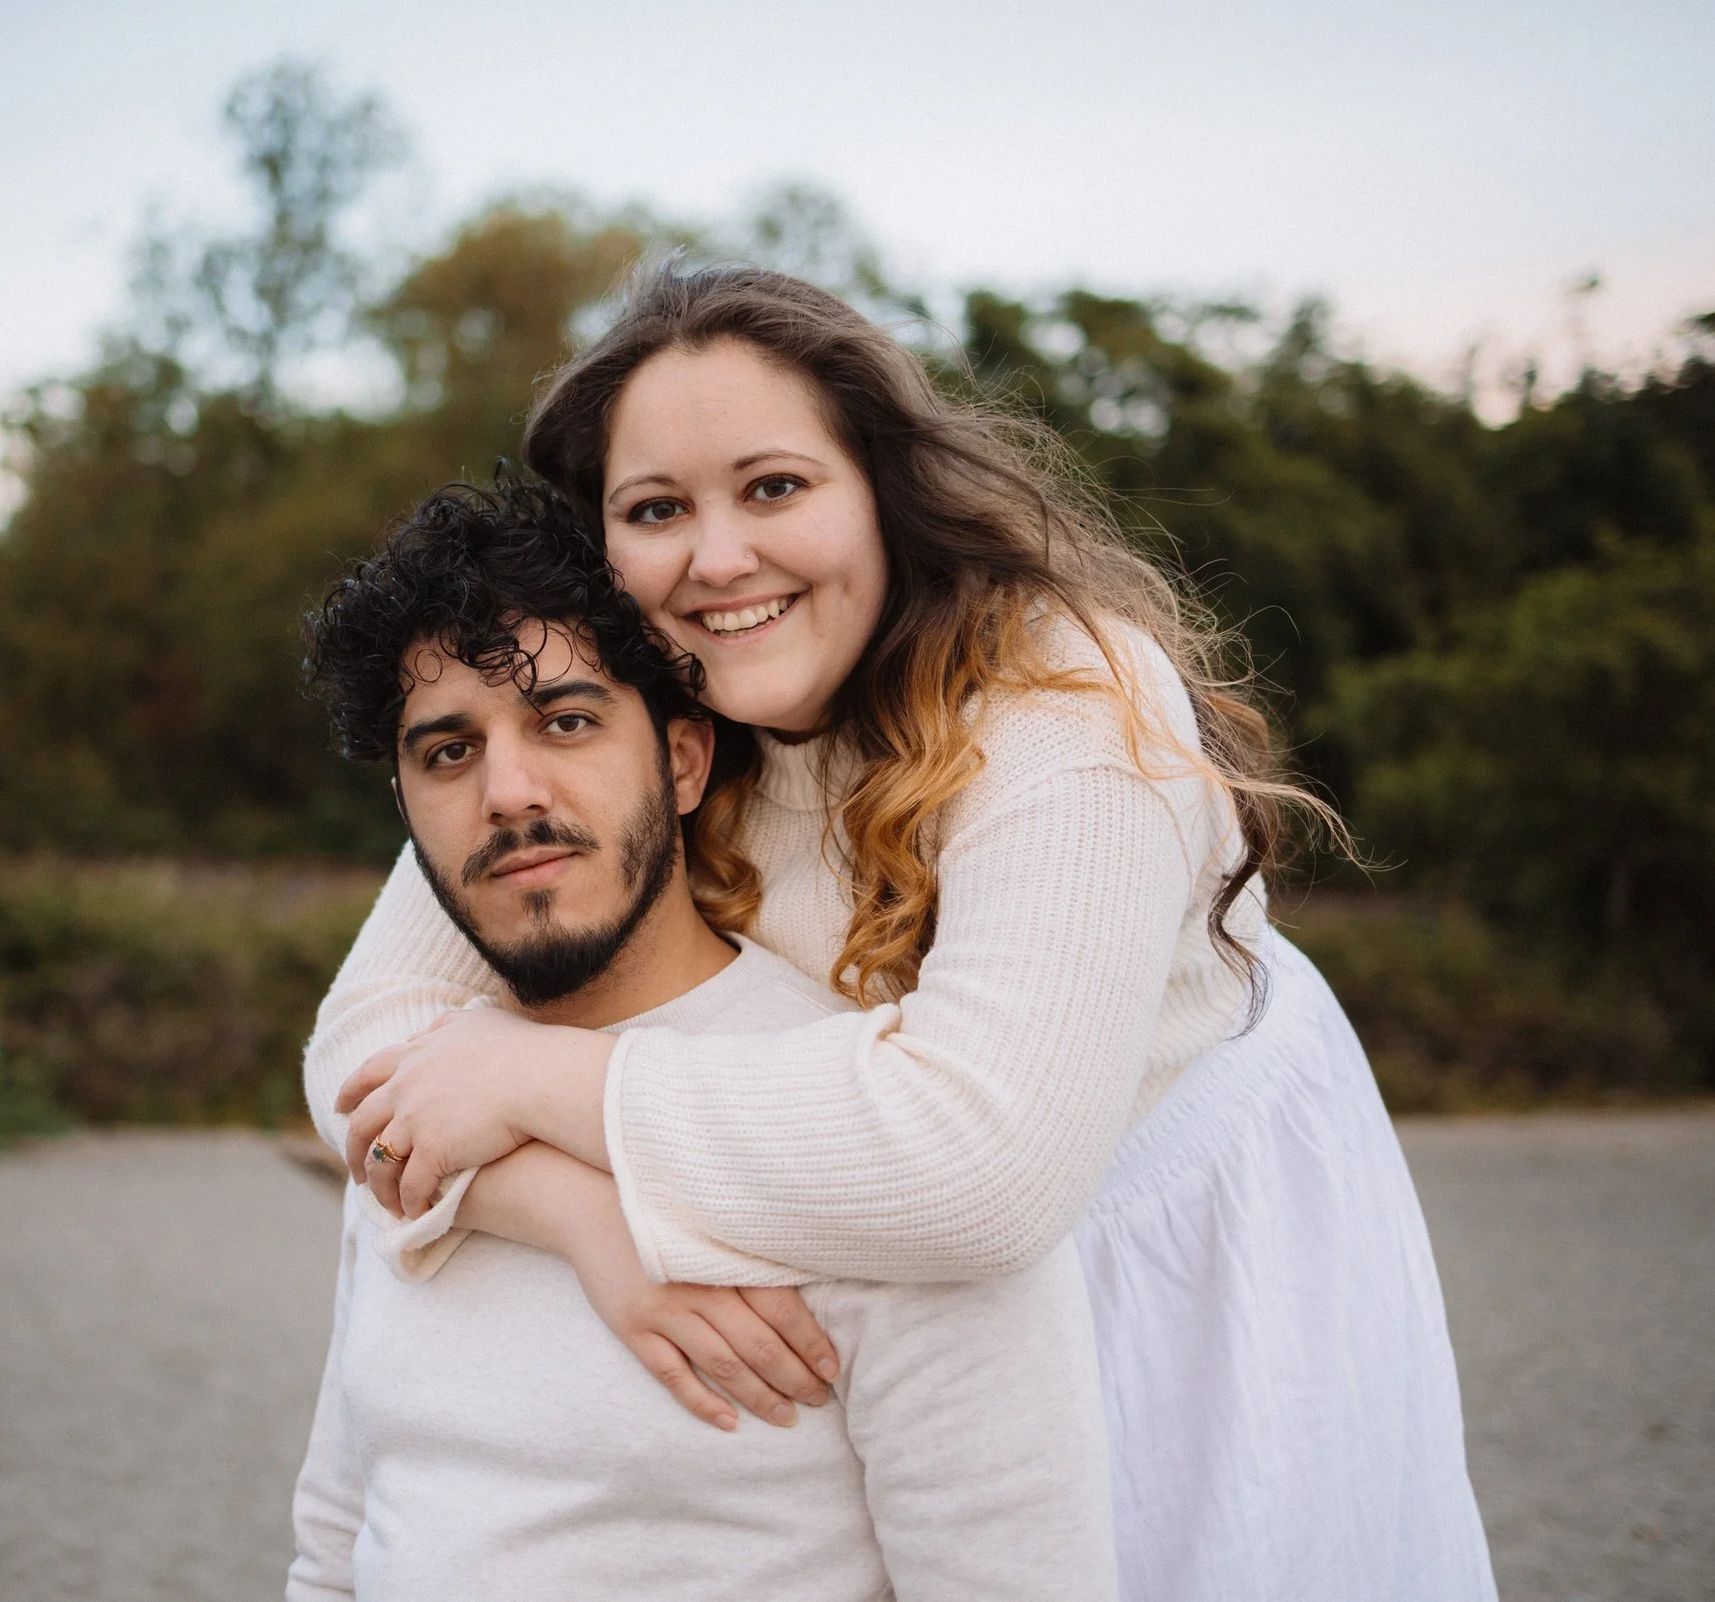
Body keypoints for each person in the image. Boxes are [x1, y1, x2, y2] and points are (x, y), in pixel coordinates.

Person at [311, 268, 1498, 1600]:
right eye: (657, 509)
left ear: (882, 489)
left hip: (1173, 1256)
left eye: (774, 487)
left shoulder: (1067, 700)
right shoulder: (654, 726)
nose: (717, 557)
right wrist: (587, 1216)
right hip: (911, 1265)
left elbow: (987, 1164)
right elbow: (365, 1056)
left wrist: (533, 1078)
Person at [287, 482, 1116, 1602]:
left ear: (682, 761)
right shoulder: (426, 1096)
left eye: (567, 721)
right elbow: (340, 1531)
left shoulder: (876, 1133)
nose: (507, 792)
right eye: (446, 752)